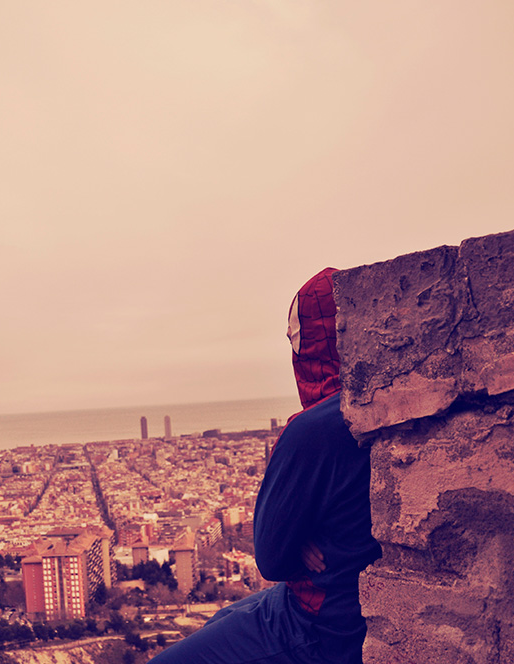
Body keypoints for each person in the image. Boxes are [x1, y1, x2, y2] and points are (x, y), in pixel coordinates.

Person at [149, 268, 382, 664]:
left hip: (320, 626)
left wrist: (298, 541)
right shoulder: (392, 406)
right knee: (222, 618)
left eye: (297, 339)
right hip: (356, 608)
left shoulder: (313, 430)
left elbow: (272, 560)